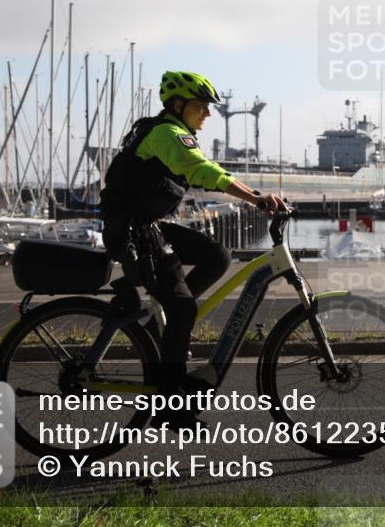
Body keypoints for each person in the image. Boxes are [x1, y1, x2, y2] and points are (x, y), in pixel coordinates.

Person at [99, 70, 287, 426]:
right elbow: (202, 171)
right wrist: (256, 198)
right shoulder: (166, 134)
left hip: (143, 225)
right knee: (184, 309)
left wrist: (254, 195)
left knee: (217, 257)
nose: (208, 114)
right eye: (201, 106)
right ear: (178, 104)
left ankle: (168, 320)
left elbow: (207, 168)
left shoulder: (171, 132)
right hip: (131, 230)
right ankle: (171, 409)